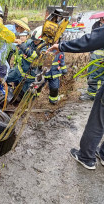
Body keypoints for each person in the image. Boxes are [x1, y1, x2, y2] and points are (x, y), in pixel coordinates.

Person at [47, 26, 104, 170]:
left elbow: (91, 40)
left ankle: (86, 157)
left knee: (98, 121)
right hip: (51, 78)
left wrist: (62, 46)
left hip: (55, 78)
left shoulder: (60, 55)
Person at [6, 26, 46, 96]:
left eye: (36, 40)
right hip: (18, 71)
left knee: (27, 95)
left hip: (29, 78)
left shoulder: (44, 49)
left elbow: (36, 56)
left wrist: (25, 49)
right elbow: (20, 51)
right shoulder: (30, 42)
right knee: (4, 78)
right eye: (33, 40)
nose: (35, 41)